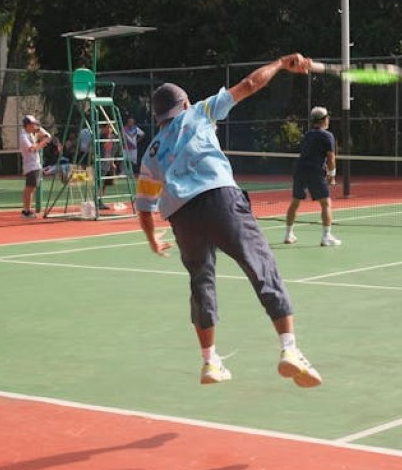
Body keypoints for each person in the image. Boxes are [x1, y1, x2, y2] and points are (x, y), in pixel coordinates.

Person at [134, 54, 323, 388]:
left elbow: (145, 206)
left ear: (160, 116)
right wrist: (280, 65)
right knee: (262, 267)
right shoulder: (201, 111)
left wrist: (151, 240)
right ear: (185, 103)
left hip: (181, 216)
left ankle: (209, 361)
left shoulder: (150, 153)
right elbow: (250, 85)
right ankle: (289, 350)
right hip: (220, 197)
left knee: (201, 282)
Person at [283, 105, 340, 246]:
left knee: (295, 202)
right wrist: (332, 176)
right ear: (324, 120)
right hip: (314, 171)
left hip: (300, 170)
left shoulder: (307, 134)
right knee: (326, 203)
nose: (329, 120)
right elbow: (331, 158)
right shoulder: (328, 136)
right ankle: (326, 237)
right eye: (327, 118)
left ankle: (288, 235)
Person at [18, 114, 54, 219]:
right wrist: (42, 142)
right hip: (31, 165)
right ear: (27, 125)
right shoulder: (23, 135)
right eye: (32, 124)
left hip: (35, 164)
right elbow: (31, 149)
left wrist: (40, 131)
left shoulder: (31, 133)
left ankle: (27, 209)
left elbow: (48, 136)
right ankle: (26, 211)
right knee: (30, 188)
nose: (35, 126)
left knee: (32, 188)